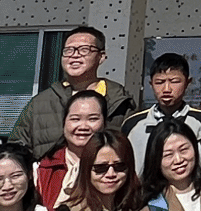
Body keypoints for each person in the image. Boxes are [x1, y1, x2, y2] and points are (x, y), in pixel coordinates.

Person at [11, 27, 134, 159]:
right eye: (69, 50)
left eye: (84, 49)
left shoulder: (120, 101)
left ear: (101, 56)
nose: (75, 55)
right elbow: (17, 149)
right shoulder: (40, 103)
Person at [123, 53, 201, 173]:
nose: (166, 89)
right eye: (159, 82)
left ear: (187, 83)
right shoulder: (133, 124)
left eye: (174, 81)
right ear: (151, 84)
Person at [35, 89, 108, 211]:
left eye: (92, 119)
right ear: (64, 122)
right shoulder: (43, 169)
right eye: (75, 119)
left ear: (105, 123)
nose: (83, 126)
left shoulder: (115, 168)